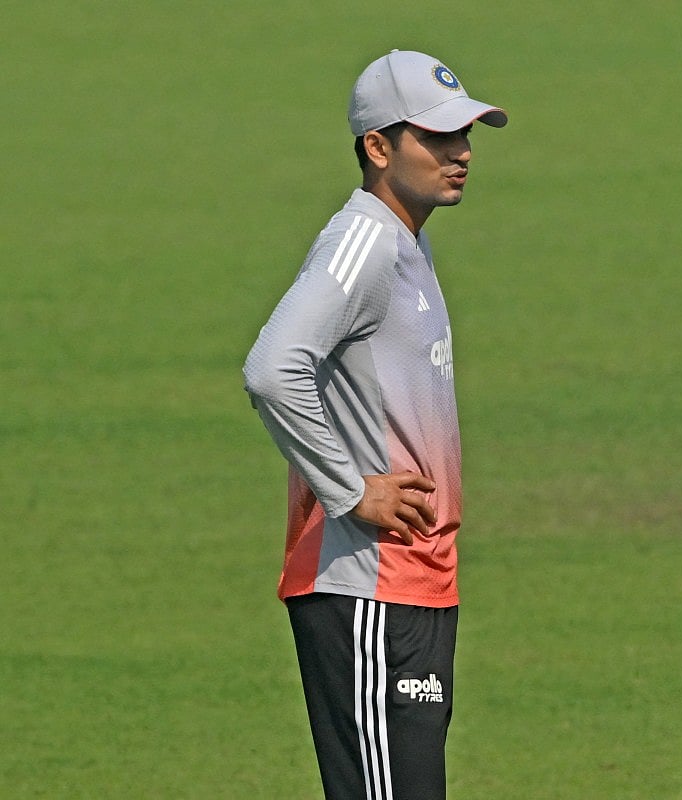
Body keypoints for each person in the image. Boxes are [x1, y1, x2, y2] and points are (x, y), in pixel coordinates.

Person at [242, 49, 507, 800]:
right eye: (437, 136)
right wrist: (351, 490)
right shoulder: (362, 244)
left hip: (413, 581)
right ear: (378, 147)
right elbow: (272, 368)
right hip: (367, 585)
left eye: (465, 133)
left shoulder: (406, 242)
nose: (461, 151)